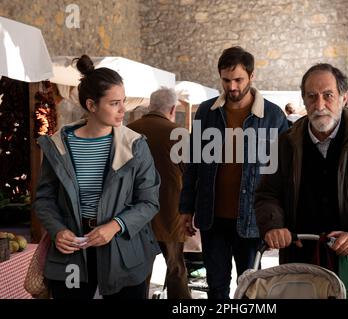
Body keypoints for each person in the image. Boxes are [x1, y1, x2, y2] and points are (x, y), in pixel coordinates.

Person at [254, 63, 348, 293]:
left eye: (328, 95)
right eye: (311, 96)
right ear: (304, 100)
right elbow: (267, 194)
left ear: (343, 98)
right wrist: (274, 226)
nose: (319, 105)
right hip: (301, 264)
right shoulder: (284, 144)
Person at [34, 55, 161, 299]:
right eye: (114, 103)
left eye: (123, 101)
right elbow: (44, 199)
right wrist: (58, 230)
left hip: (123, 251)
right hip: (70, 253)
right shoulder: (58, 146)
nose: (123, 109)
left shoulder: (135, 145)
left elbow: (149, 201)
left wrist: (115, 226)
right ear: (92, 105)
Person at [179, 46, 289, 299]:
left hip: (252, 218)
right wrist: (186, 208)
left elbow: (283, 173)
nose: (232, 87)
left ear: (251, 76)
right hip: (212, 217)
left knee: (251, 287)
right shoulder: (206, 112)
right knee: (216, 286)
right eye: (226, 80)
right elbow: (193, 163)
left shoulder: (272, 115)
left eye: (238, 79)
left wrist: (278, 219)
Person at [128, 87, 191, 299]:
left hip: (135, 213)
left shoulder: (128, 131)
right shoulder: (179, 134)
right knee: (175, 269)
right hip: (170, 213)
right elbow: (192, 174)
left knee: (139, 271)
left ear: (149, 106)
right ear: (173, 108)